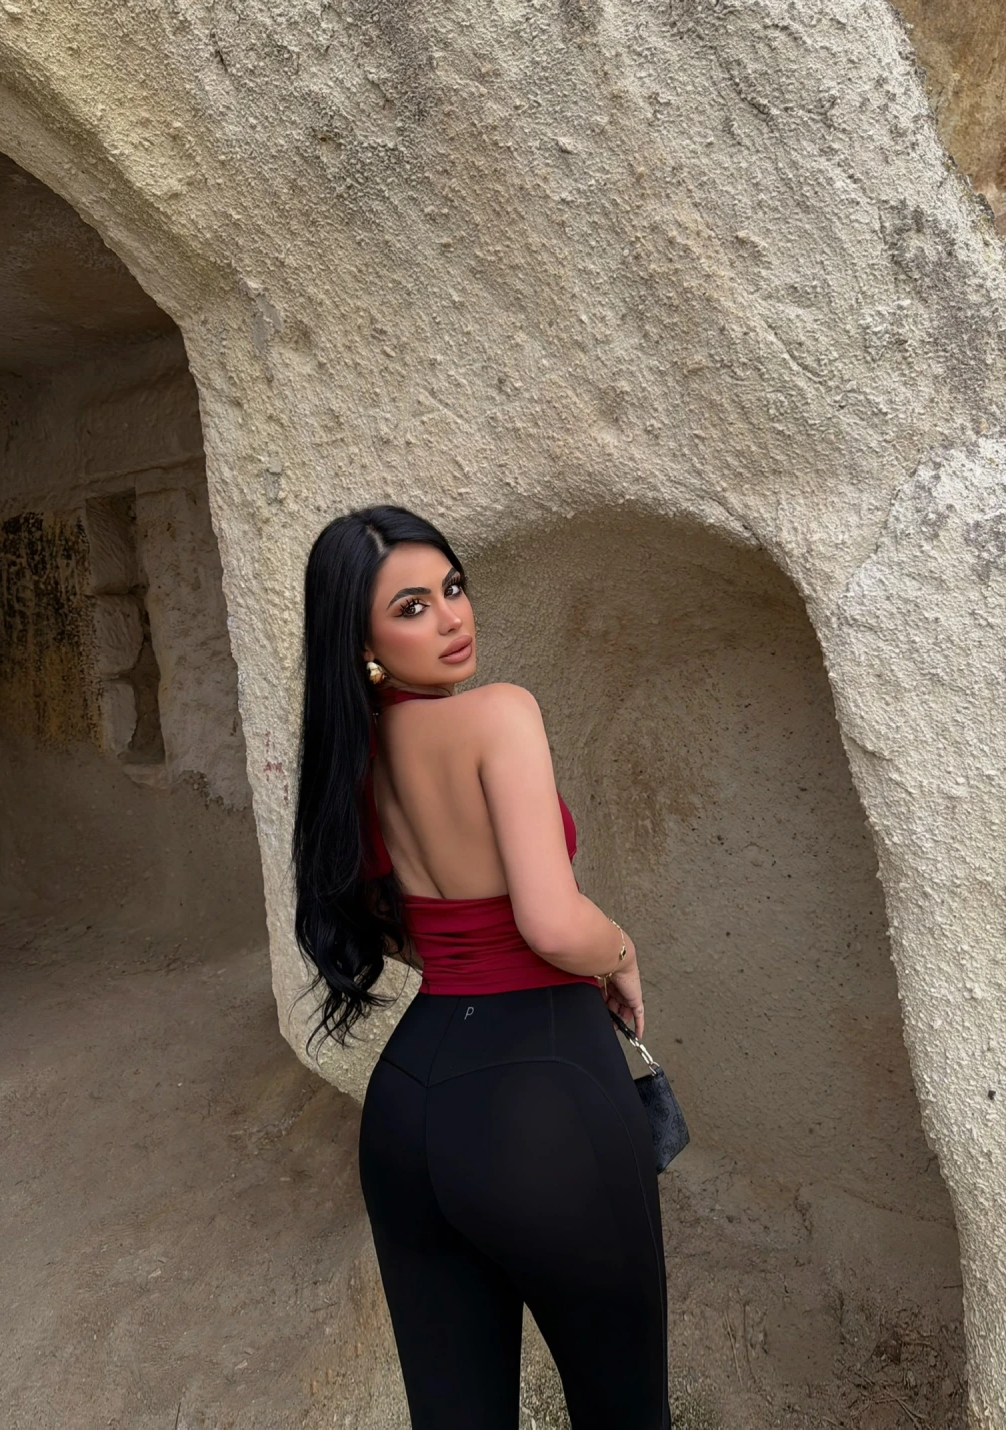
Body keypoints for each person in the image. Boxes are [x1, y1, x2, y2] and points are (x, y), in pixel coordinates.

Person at [291, 503, 671, 1430]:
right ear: (364, 642)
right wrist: (621, 952)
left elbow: (396, 928)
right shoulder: (501, 713)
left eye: (452, 588)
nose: (453, 617)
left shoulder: (353, 760)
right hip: (539, 1095)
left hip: (406, 1106)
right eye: (412, 606)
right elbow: (552, 922)